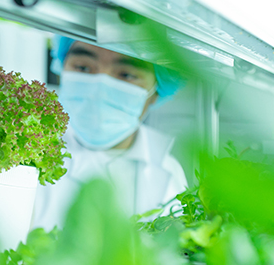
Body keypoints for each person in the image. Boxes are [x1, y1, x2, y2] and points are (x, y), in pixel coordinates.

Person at [31, 36, 187, 230]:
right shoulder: (26, 153)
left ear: (156, 90)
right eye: (82, 68)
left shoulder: (167, 172)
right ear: (61, 70)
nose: (100, 86)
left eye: (126, 74)